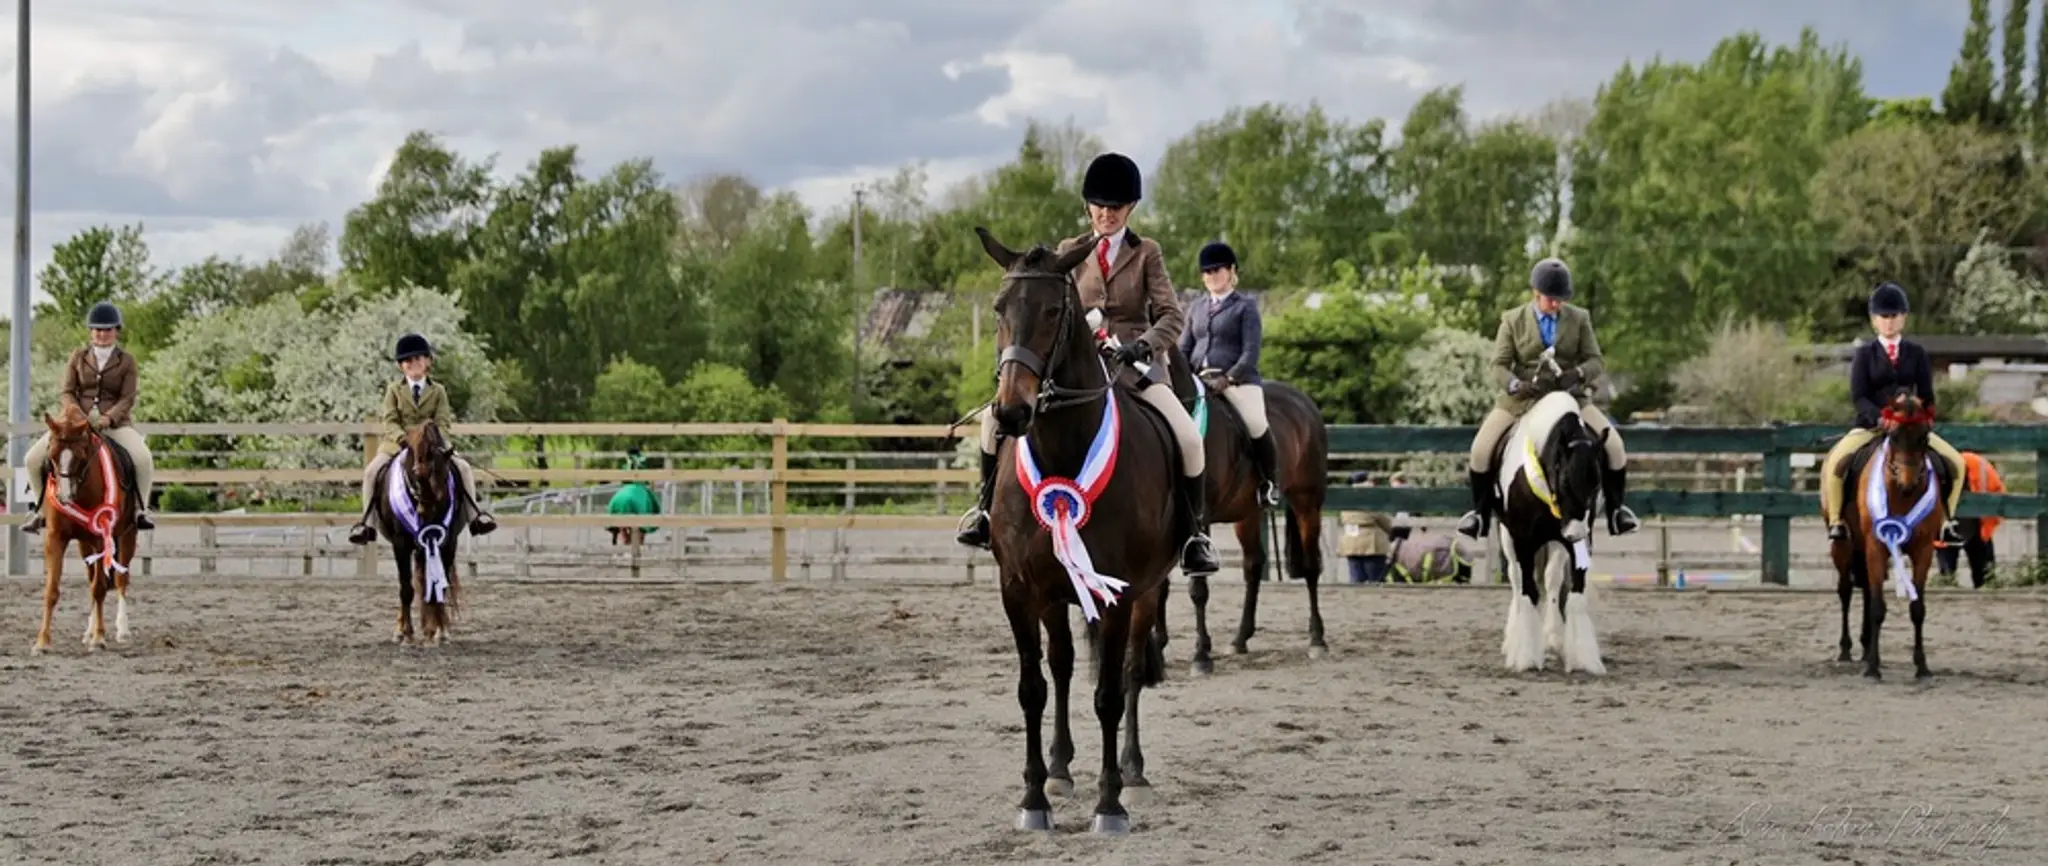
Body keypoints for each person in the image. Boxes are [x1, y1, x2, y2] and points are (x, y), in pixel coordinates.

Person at [955, 151, 1220, 576]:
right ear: (1088, 207)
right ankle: (985, 515)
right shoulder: (1067, 252)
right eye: (1099, 206)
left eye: (1115, 207)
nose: (1106, 214)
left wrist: (1144, 345)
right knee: (993, 421)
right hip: (1076, 365)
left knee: (1188, 437)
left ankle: (1193, 536)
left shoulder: (1147, 252)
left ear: (1130, 208)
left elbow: (1172, 315)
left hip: (1135, 365)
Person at [1456, 258, 1637, 540]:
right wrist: (1516, 385)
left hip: (1570, 398)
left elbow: (1595, 361)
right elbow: (1499, 365)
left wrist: (1576, 373)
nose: (1556, 305)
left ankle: (1617, 512)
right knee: (1480, 450)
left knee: (1615, 446)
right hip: (1523, 400)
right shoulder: (1512, 320)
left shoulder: (1579, 319)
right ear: (1535, 293)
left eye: (1561, 300)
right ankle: (1479, 515)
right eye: (1551, 300)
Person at [1818, 282, 1966, 547]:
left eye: (1894, 316)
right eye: (1884, 317)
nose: (1889, 321)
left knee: (1956, 463)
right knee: (1837, 463)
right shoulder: (1865, 354)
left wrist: (1925, 415)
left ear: (1903, 318)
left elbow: (1928, 395)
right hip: (1871, 426)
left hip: (1909, 430)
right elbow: (1858, 396)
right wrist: (1879, 417)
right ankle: (1838, 520)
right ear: (1874, 321)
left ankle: (1946, 521)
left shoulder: (1917, 354)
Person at [347, 333, 497, 544]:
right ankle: (367, 524)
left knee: (463, 468)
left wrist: (437, 443)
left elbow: (443, 422)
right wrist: (403, 439)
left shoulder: (438, 391)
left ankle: (475, 517)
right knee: (371, 472)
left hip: (433, 445)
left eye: (418, 359)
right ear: (401, 366)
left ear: (427, 361)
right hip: (397, 444)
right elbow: (390, 420)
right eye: (408, 361)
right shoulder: (394, 390)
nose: (413, 364)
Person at [21, 301, 156, 533]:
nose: (102, 334)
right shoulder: (78, 357)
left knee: (143, 458)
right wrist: (76, 415)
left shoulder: (126, 361)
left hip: (113, 424)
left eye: (107, 329)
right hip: (74, 425)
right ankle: (41, 511)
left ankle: (139, 511)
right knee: (32, 459)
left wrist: (108, 418)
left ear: (116, 331)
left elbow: (128, 398)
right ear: (90, 332)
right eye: (97, 329)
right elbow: (67, 392)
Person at [1179, 240, 1278, 506]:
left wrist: (1229, 378)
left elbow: (1250, 352)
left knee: (1256, 423)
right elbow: (1185, 347)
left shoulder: (1245, 306)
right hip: (1200, 381)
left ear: (1231, 271)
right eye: (1208, 272)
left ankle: (1269, 482)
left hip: (1238, 381)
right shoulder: (1196, 307)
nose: (1213, 276)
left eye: (1218, 270)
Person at [1935, 451, 2001, 588]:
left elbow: (1998, 498)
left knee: (1949, 578)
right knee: (1983, 578)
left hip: (1974, 525)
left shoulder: (1978, 466)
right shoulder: (1979, 465)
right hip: (1958, 526)